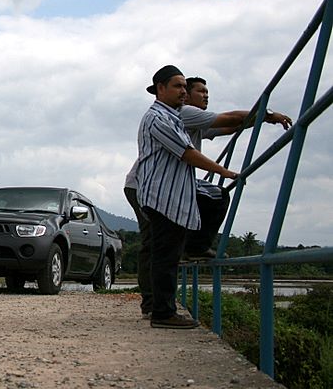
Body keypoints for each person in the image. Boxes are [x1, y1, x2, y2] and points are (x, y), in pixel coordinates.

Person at [125, 74, 292, 318]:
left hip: (170, 183)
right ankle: (154, 304)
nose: (205, 96)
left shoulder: (185, 119)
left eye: (205, 92)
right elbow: (228, 118)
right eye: (199, 91)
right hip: (145, 185)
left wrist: (255, 121)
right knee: (155, 243)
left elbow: (230, 126)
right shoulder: (184, 113)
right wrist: (268, 115)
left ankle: (193, 249)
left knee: (211, 200)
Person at [136, 65, 238, 329]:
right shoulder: (157, 118)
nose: (183, 91)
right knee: (164, 256)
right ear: (160, 89)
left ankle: (164, 307)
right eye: (177, 86)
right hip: (162, 197)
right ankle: (162, 313)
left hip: (173, 196)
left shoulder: (174, 118)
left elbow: (223, 126)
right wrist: (223, 171)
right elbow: (186, 153)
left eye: (184, 86)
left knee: (168, 253)